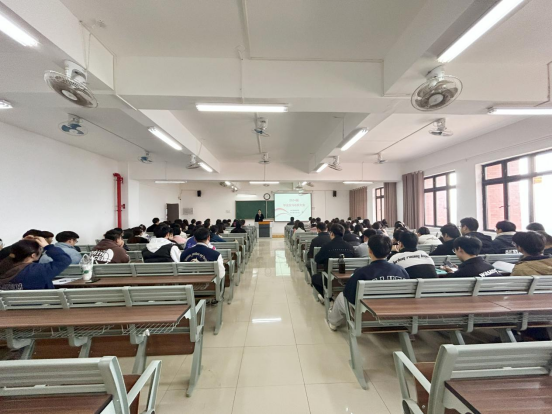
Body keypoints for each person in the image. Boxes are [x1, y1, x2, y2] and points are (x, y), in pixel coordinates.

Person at [327, 235, 409, 330]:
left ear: (369, 250)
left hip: (367, 315)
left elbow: (349, 295)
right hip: (397, 312)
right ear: (389, 251)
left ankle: (333, 323)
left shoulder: (361, 272)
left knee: (341, 296)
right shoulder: (401, 270)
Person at [0, 237, 72, 290]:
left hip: (7, 305)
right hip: (39, 305)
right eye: (40, 249)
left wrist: (22, 244)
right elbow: (64, 260)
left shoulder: (3, 267)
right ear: (33, 255)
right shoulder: (40, 270)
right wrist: (48, 246)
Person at [311, 224, 355, 302]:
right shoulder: (350, 247)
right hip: (347, 279)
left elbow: (317, 260)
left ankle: (328, 298)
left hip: (330, 280)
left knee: (314, 278)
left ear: (331, 234)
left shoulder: (326, 246)